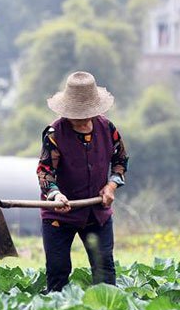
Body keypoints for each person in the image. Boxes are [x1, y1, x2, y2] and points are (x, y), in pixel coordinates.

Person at [37, 71, 129, 292]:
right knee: (58, 272)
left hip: (97, 213)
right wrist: (56, 195)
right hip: (59, 214)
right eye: (74, 113)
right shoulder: (54, 133)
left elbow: (120, 162)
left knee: (104, 270)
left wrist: (111, 185)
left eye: (84, 113)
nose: (79, 118)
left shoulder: (108, 129)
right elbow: (45, 171)